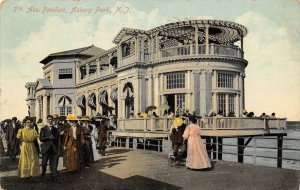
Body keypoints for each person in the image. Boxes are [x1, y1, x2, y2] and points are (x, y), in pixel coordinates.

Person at [40, 115, 59, 180]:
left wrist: (54, 138)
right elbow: (41, 138)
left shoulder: (55, 129)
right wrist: (48, 138)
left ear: (53, 120)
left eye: (51, 119)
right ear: (47, 120)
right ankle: (43, 173)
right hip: (45, 148)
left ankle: (53, 175)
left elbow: (57, 138)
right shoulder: (43, 129)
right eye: (49, 119)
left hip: (53, 148)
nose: (50, 121)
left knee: (53, 163)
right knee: (44, 162)